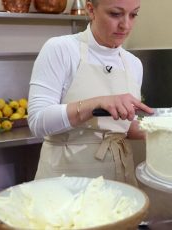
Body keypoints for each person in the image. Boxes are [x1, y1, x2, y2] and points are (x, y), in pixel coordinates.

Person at [27, 0, 153, 186]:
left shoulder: (133, 64)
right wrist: (96, 104)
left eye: (133, 14)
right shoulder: (61, 49)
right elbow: (38, 122)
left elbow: (120, 126)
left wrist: (159, 130)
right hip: (65, 181)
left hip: (119, 179)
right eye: (115, 14)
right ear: (91, 9)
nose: (125, 25)